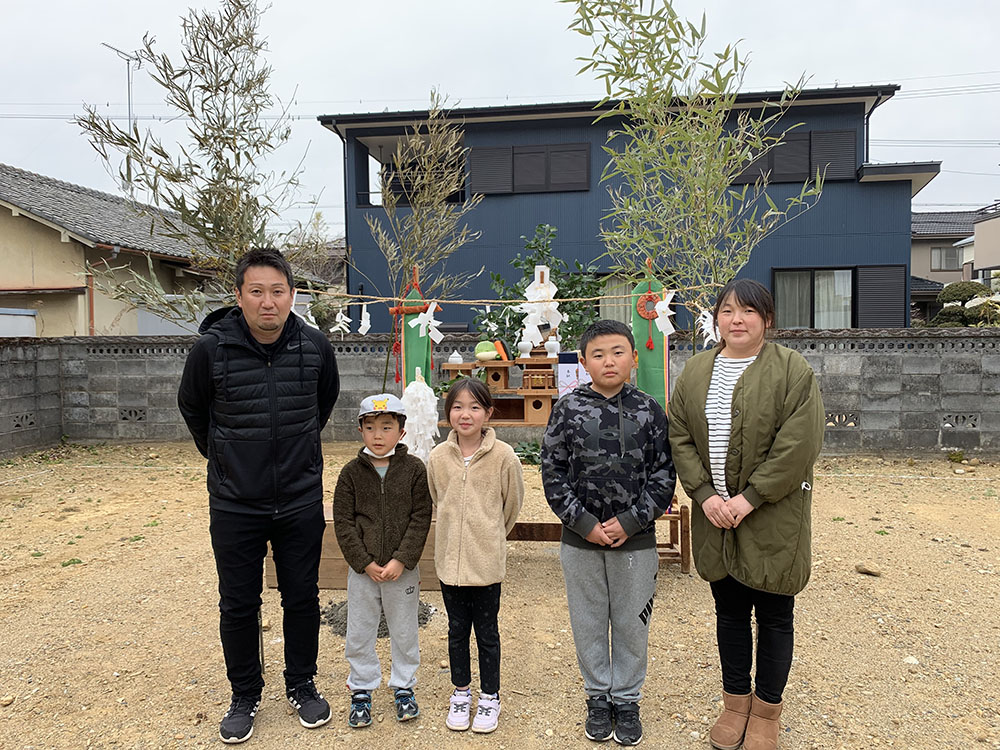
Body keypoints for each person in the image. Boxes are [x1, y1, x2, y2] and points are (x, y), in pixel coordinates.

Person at [177, 248, 339, 744]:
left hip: (298, 498)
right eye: (257, 292)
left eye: (278, 291)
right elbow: (194, 409)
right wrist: (227, 458)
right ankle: (244, 693)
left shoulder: (315, 347)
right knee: (239, 604)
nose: (268, 302)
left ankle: (301, 684)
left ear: (292, 295)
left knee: (302, 597)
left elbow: (322, 405)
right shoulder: (211, 350)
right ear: (239, 296)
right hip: (235, 503)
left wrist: (297, 457)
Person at [667, 279, 824, 750]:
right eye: (728, 311)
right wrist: (703, 494)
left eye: (748, 312)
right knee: (730, 612)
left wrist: (750, 497)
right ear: (717, 318)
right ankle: (735, 701)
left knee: (775, 613)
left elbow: (799, 444)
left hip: (772, 513)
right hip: (713, 512)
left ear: (767, 320)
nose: (737, 319)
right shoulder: (695, 371)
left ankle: (768, 711)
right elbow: (680, 435)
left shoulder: (793, 371)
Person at [541, 319, 676, 747]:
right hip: (580, 539)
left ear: (634, 359)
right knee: (588, 620)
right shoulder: (567, 409)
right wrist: (585, 524)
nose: (609, 361)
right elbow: (552, 471)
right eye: (597, 354)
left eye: (618, 352)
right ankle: (598, 697)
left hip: (635, 540)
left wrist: (631, 521)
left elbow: (664, 473)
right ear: (583, 363)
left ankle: (627, 698)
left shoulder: (650, 410)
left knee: (633, 623)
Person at [427, 377, 524, 734]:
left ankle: (489, 697)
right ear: (447, 413)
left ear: (488, 413)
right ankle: (461, 692)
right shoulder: (438, 458)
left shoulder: (504, 456)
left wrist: (491, 535)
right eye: (457, 407)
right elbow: (438, 499)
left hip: (486, 564)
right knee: (455, 630)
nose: (465, 414)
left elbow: (511, 506)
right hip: (449, 563)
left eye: (474, 407)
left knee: (487, 632)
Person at [332, 393, 432, 729]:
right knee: (360, 629)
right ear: (360, 430)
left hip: (402, 570)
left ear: (401, 431)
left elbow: (421, 517)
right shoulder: (350, 474)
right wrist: (363, 562)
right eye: (370, 427)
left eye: (387, 427)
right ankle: (361, 687)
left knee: (404, 630)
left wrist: (402, 560)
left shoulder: (415, 470)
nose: (378, 435)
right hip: (364, 571)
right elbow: (343, 522)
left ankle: (404, 685)